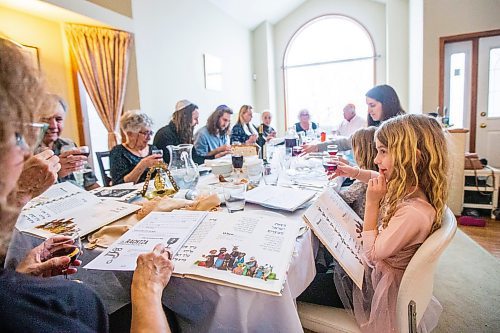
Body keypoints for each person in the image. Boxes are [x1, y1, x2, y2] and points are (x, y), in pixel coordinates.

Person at [301, 114, 448, 332]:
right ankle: (321, 267)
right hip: (370, 273)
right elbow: (376, 177)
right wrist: (354, 171)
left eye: (383, 152)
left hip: (372, 287)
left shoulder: (413, 213)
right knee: (317, 263)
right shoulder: (409, 188)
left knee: (299, 285)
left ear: (413, 157)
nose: (377, 160)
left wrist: (372, 203)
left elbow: (371, 254)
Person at [302, 84, 405, 154]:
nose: (369, 111)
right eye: (368, 106)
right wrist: (317, 147)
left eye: (372, 105)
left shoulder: (401, 130)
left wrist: (353, 169)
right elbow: (347, 142)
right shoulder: (376, 127)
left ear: (387, 103)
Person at [37, 94, 99, 190]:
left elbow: (90, 183)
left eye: (58, 119)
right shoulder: (24, 152)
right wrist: (57, 172)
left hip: (83, 200)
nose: (53, 126)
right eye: (46, 119)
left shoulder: (69, 144)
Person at [110, 110, 162, 185]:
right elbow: (119, 185)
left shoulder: (153, 149)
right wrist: (143, 165)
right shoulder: (118, 152)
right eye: (145, 133)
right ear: (130, 134)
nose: (149, 138)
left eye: (150, 133)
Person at [153, 99, 204, 164]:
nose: (197, 122)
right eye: (195, 119)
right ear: (184, 117)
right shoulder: (164, 134)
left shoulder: (185, 135)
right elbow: (172, 163)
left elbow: (195, 158)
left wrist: (213, 157)